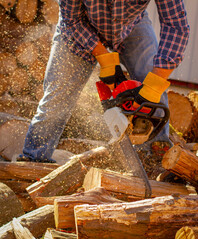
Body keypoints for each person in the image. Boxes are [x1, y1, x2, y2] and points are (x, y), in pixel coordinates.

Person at [17, 0, 190, 163]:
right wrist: (103, 57)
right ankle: (34, 158)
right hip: (79, 26)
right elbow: (72, 21)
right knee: (57, 97)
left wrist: (154, 84)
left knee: (154, 91)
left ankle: (156, 156)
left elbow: (176, 25)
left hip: (131, 24)